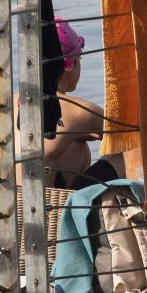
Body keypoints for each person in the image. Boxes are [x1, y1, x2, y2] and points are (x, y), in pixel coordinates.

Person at [44, 19, 106, 189]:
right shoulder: (76, 111)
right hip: (39, 211)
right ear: (72, 64)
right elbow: (130, 133)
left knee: (73, 143)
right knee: (82, 150)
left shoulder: (12, 103)